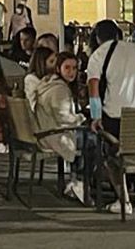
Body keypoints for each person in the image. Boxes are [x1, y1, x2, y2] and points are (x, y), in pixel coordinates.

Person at [86, 19, 135, 215]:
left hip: (118, 115)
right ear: (118, 34)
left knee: (113, 158)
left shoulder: (97, 56)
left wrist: (96, 117)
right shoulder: (134, 48)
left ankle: (124, 201)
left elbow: (93, 89)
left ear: (97, 37)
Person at [30, 50, 87, 202]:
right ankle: (78, 180)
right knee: (93, 140)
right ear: (58, 68)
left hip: (46, 131)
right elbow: (64, 118)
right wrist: (81, 118)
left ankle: (77, 179)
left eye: (74, 68)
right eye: (67, 68)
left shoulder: (48, 83)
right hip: (54, 134)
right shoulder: (59, 90)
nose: (71, 72)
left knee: (88, 139)